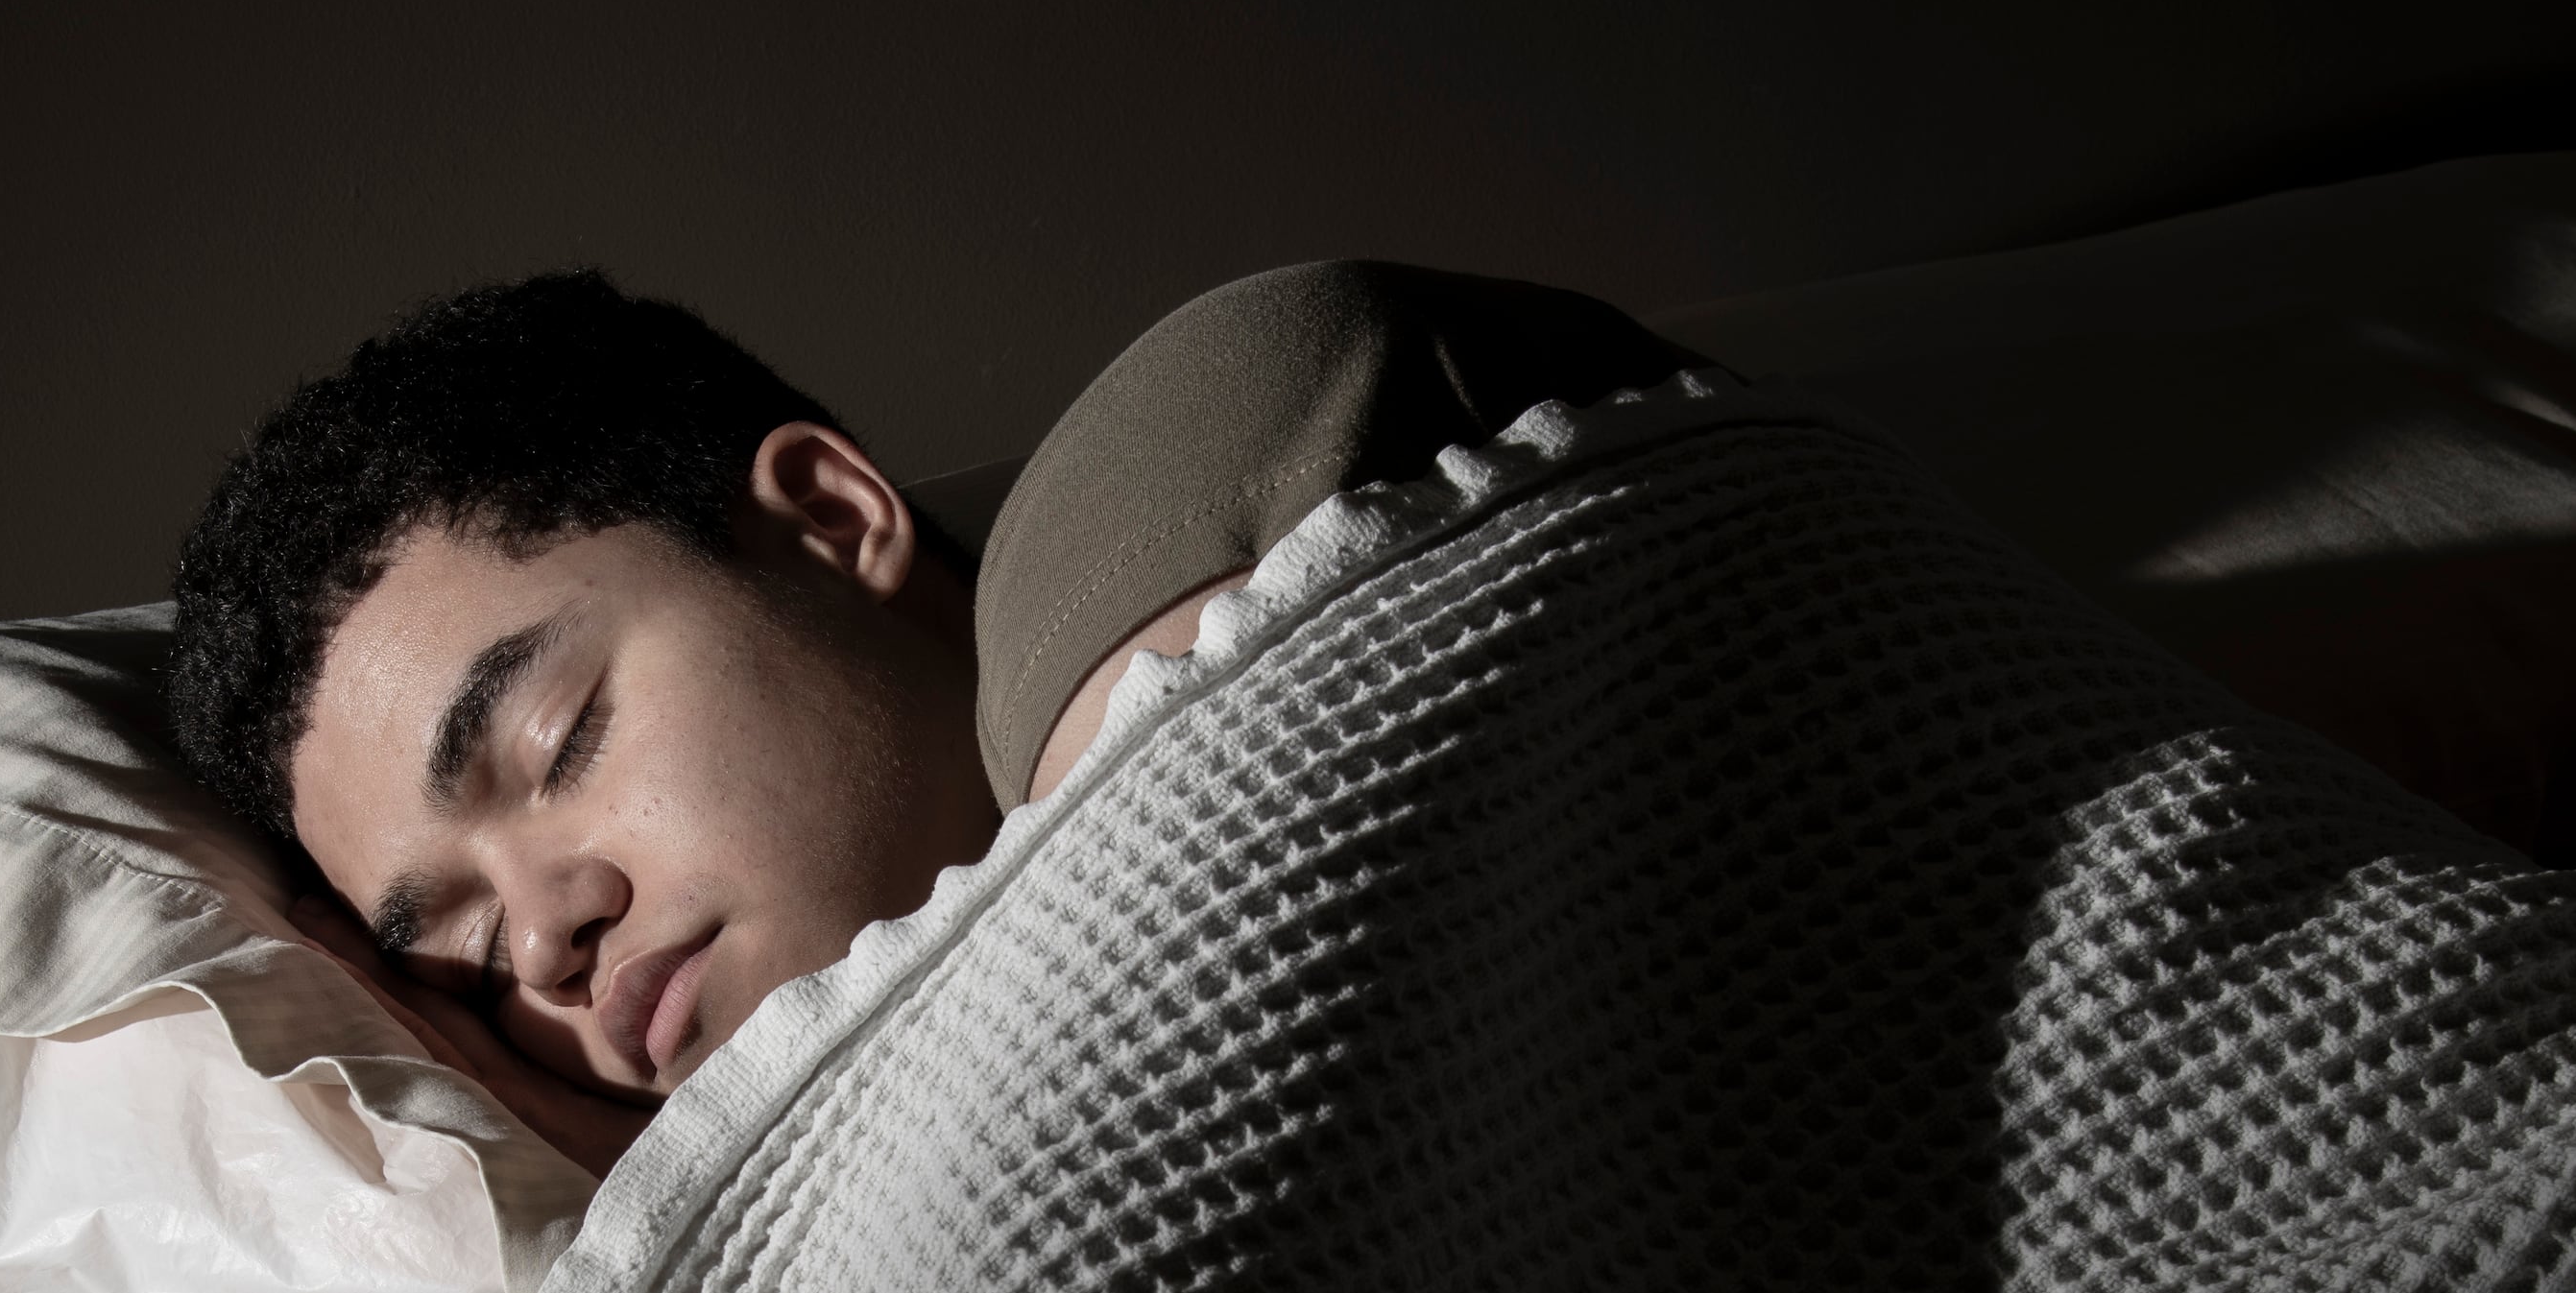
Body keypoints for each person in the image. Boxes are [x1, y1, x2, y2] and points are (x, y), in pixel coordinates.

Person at [162, 264, 1709, 1171]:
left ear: (831, 519)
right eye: (474, 953)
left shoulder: (1190, 452)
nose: (549, 938)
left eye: (561, 740)